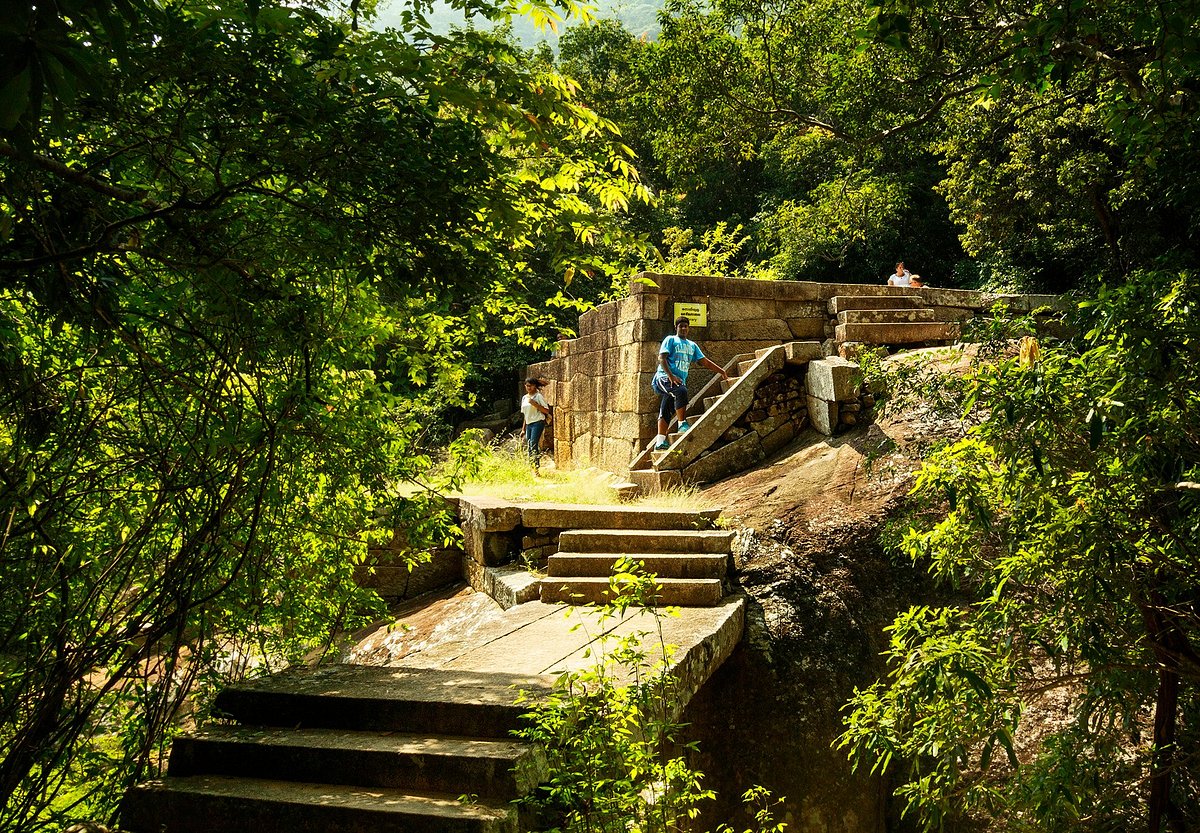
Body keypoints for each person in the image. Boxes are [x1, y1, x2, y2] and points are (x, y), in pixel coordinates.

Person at [651, 316, 731, 450]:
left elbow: (705, 362)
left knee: (666, 408)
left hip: (677, 382)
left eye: (685, 326)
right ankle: (682, 423)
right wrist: (671, 376)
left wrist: (721, 371)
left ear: (688, 328)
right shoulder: (671, 340)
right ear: (676, 327)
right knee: (681, 391)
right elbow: (662, 358)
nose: (683, 328)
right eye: (680, 326)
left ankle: (660, 442)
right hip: (663, 378)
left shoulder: (692, 345)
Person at [521, 377, 551, 469]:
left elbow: (546, 411)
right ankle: (532, 467)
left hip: (538, 423)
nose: (528, 387)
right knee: (529, 445)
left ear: (534, 386)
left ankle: (536, 468)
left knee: (533, 444)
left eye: (530, 386)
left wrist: (535, 404)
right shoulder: (524, 398)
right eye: (527, 386)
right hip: (529, 424)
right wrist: (523, 429)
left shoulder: (538, 396)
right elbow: (526, 415)